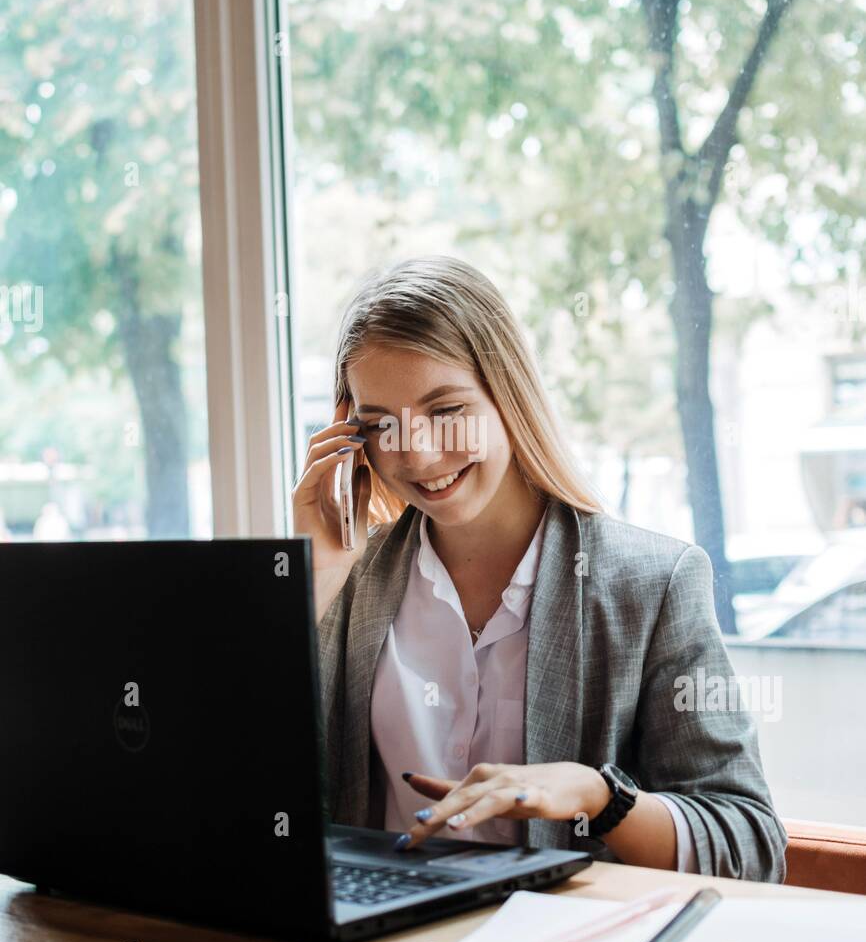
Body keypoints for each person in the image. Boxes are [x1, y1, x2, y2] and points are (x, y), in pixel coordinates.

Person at [292, 257, 787, 881]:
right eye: (379, 424)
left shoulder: (652, 584)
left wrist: (598, 797)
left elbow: (749, 844)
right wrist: (309, 584)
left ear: (508, 395)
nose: (415, 453)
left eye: (446, 410)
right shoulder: (347, 583)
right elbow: (242, 793)